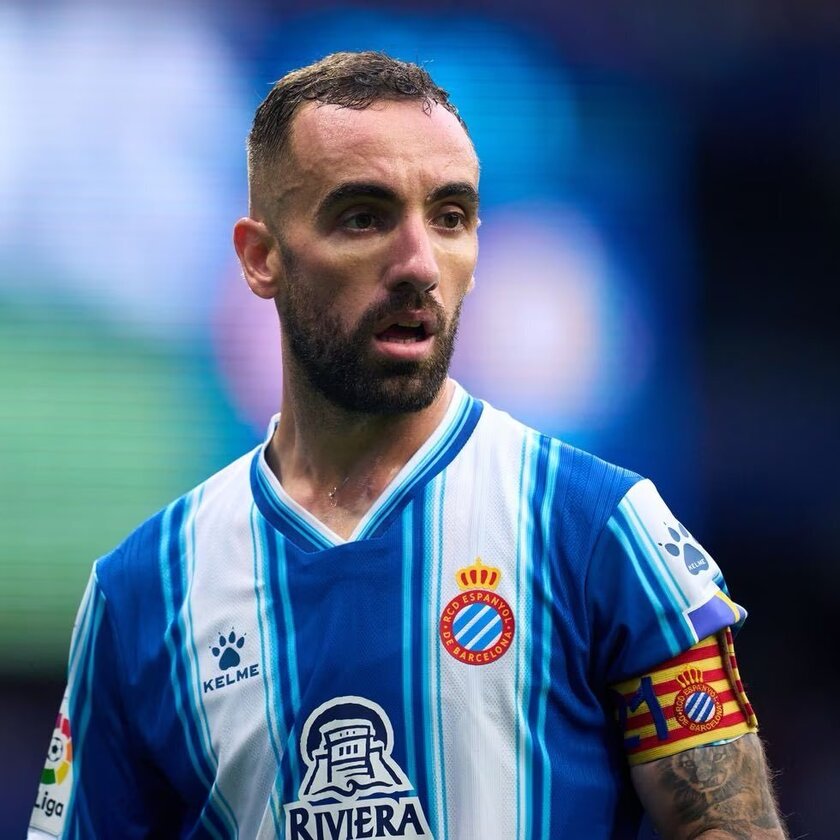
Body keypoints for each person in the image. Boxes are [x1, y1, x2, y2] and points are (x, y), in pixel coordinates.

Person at [29, 51, 787, 839]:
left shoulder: (603, 531)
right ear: (261, 258)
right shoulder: (143, 591)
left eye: (450, 217)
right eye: (364, 217)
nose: (419, 264)